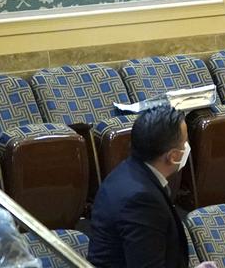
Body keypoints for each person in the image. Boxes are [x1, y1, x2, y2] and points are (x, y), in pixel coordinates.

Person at [87, 105, 214, 268]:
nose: (188, 146)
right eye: (185, 141)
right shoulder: (141, 201)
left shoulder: (125, 172)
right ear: (173, 156)